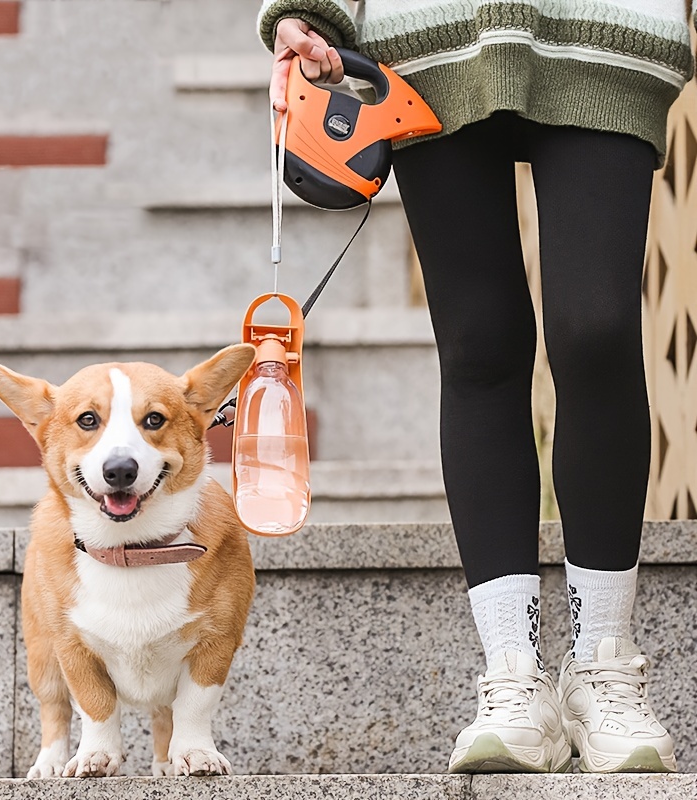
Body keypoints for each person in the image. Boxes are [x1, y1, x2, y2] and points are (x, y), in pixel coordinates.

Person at [258, 0, 696, 775]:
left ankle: (603, 664)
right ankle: (513, 675)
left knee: (596, 331)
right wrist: (301, 9)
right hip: (434, 33)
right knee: (477, 345)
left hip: (608, 24)